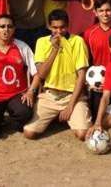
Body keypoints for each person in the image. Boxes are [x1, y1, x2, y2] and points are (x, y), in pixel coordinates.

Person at [23, 9, 91, 140]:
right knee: (29, 133)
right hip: (50, 96)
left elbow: (81, 76)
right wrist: (55, 49)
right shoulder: (41, 42)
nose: (59, 31)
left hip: (73, 96)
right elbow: (41, 74)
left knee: (83, 134)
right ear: (48, 26)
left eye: (62, 27)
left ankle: (68, 115)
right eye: (55, 27)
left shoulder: (77, 41)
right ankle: (58, 116)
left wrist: (70, 105)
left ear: (67, 26)